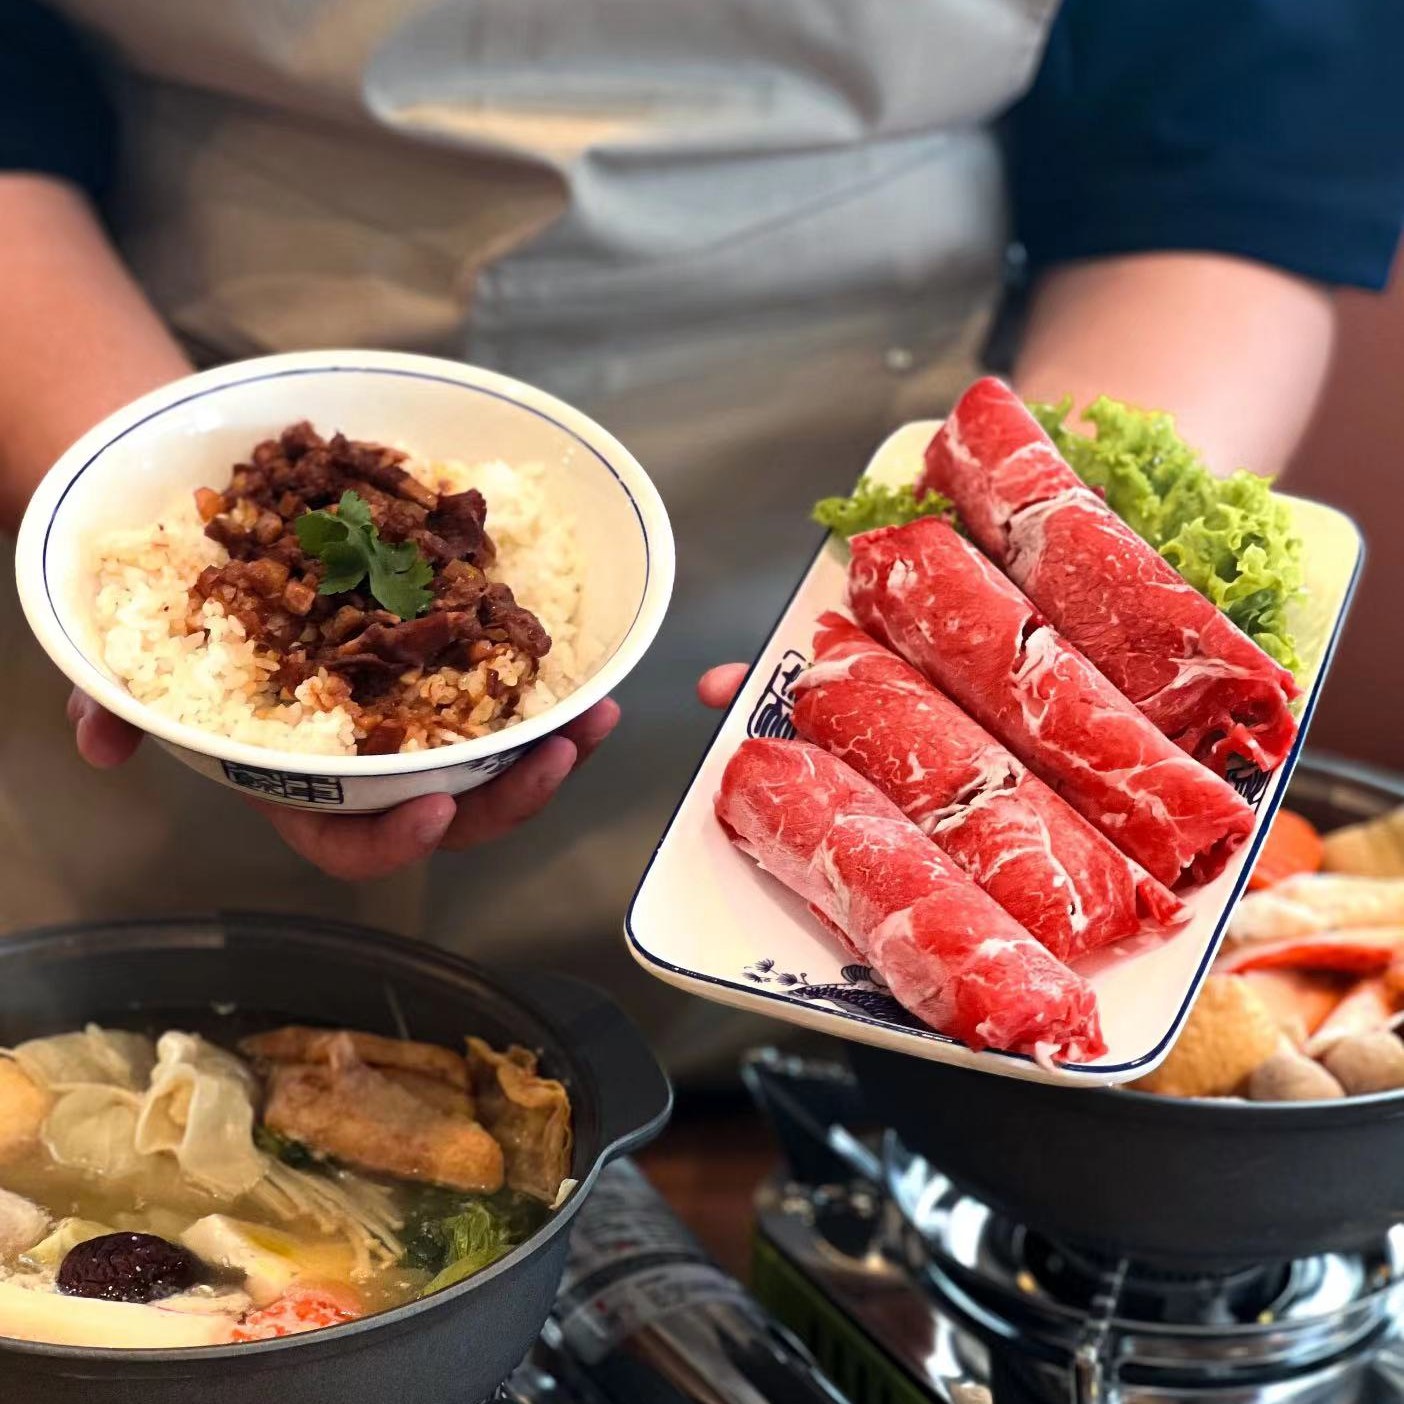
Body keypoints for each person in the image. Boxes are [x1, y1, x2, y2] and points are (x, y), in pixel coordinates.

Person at [2, 0, 1401, 1078]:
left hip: (820, 559)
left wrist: (1037, 616)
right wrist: (121, 490)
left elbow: (1223, 156)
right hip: (140, 413)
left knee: (766, 1121)